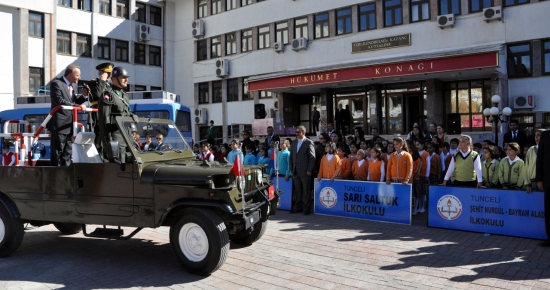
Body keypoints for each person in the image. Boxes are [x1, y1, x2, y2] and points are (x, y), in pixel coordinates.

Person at [48, 64, 88, 166]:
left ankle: (66, 176)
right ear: (70, 75)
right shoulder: (56, 83)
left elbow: (72, 100)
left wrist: (84, 95)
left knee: (67, 153)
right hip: (60, 125)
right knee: (58, 153)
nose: (80, 78)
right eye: (77, 75)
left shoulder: (72, 85)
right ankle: (55, 176)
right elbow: (60, 101)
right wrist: (78, 106)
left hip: (70, 125)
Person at [98, 66, 132, 160]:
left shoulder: (124, 95)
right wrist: (109, 145)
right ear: (114, 79)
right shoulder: (107, 95)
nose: (126, 80)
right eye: (123, 78)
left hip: (127, 140)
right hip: (116, 141)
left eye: (127, 77)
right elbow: (104, 121)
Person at [87, 62, 114, 152]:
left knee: (107, 142)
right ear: (100, 74)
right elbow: (99, 94)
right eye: (107, 74)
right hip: (97, 118)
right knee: (98, 142)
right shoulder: (94, 84)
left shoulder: (109, 87)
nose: (109, 76)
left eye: (109, 74)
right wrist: (102, 80)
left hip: (107, 117)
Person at [290, 125, 316, 215]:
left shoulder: (309, 142)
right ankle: (298, 207)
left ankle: (306, 208)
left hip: (305, 171)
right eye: (296, 132)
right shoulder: (293, 143)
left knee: (306, 190)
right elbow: (291, 156)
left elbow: (312, 158)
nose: (296, 134)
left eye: (298, 132)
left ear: (304, 133)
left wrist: (309, 170)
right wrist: (291, 168)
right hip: (295, 170)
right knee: (297, 190)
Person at [536, 129, 550, 247]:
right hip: (548, 180)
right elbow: (539, 158)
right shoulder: (546, 135)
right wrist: (539, 179)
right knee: (549, 210)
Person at [525, 129, 545, 193]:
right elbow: (526, 167)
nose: (536, 137)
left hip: (545, 182)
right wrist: (528, 184)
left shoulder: (547, 149)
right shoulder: (531, 149)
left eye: (539, 135)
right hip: (533, 182)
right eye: (535, 135)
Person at [415, 139, 430, 213]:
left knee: (424, 192)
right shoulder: (416, 153)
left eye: (418, 144)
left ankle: (423, 207)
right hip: (417, 175)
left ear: (422, 145)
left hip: (424, 175)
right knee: (419, 192)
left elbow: (428, 165)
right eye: (416, 145)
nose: (417, 146)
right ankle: (418, 207)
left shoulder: (426, 154)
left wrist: (427, 175)